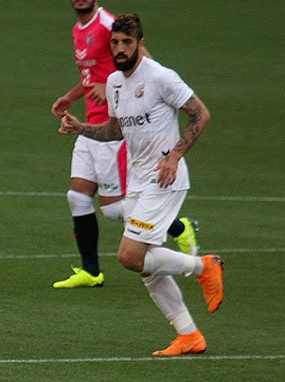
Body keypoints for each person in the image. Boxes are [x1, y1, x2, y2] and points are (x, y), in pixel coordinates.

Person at [58, 12, 223, 356]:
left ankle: (204, 266)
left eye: (126, 42)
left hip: (164, 178)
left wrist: (174, 156)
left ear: (140, 44)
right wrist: (80, 128)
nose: (119, 49)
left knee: (130, 256)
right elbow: (115, 130)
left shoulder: (161, 77)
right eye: (115, 42)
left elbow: (200, 114)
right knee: (148, 266)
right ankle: (189, 335)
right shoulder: (115, 83)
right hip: (137, 182)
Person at [51, 1, 199, 290]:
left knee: (112, 209)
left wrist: (121, 86)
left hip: (117, 129)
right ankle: (91, 271)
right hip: (91, 126)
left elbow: (141, 63)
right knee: (77, 197)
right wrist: (71, 97)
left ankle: (179, 227)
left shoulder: (107, 24)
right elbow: (90, 76)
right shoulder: (78, 30)